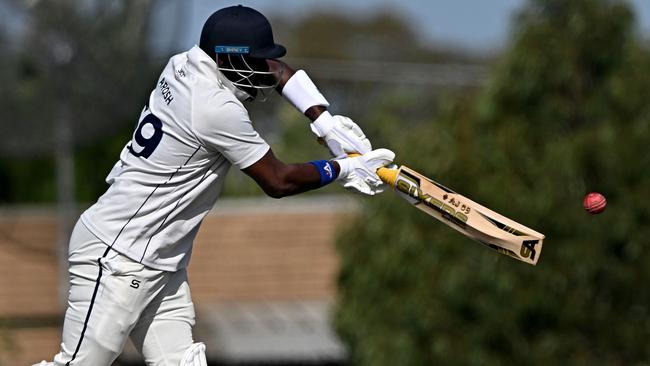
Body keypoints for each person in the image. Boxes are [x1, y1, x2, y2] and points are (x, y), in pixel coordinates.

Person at [33, 5, 394, 366]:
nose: (261, 72)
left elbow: (278, 69)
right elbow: (278, 181)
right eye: (252, 62)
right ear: (226, 58)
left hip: (159, 260)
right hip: (118, 256)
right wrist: (344, 169)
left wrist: (325, 123)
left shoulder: (183, 63)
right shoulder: (213, 107)